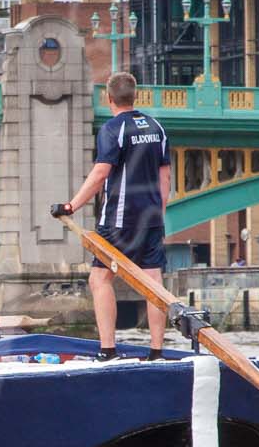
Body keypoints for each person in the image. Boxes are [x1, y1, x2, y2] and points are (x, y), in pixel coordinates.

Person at [51, 71, 172, 360]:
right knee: (153, 283)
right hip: (152, 218)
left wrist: (71, 206)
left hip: (120, 219)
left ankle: (108, 349)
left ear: (109, 98)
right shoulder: (157, 128)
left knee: (100, 279)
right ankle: (156, 352)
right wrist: (159, 212)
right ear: (135, 95)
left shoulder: (112, 129)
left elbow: (100, 173)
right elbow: (165, 176)